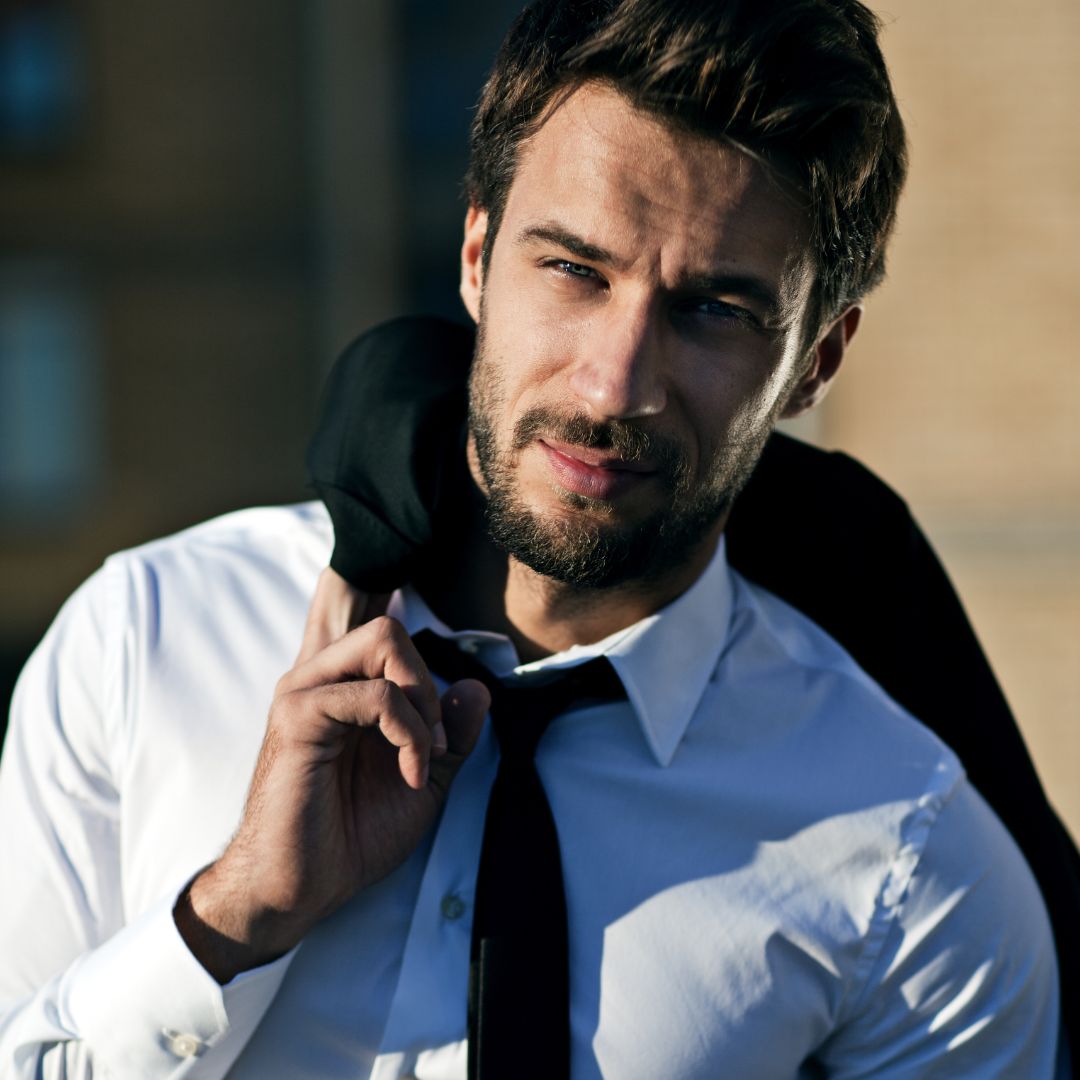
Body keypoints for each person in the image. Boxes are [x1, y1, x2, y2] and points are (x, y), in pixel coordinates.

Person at [0, 1, 1065, 1077]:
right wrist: (231, 916)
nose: (615, 385)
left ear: (815, 365)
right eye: (573, 270)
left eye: (713, 312)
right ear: (475, 257)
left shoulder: (913, 862)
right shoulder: (144, 645)